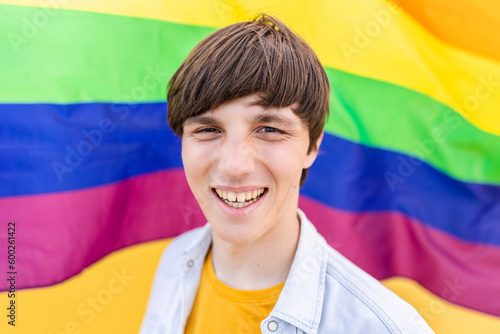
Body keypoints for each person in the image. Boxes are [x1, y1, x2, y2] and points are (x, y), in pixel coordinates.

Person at [140, 14, 434, 334]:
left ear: (312, 146)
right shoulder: (175, 262)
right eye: (208, 129)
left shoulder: (382, 326)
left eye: (269, 129)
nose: (234, 165)